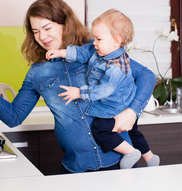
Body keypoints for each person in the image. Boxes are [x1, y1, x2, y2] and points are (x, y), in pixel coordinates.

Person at [0, 0, 156, 173]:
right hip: (75, 168)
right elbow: (14, 117)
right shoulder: (37, 73)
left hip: (119, 163)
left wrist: (132, 112)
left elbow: (146, 76)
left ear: (65, 23)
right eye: (35, 32)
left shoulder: (96, 50)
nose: (42, 36)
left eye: (47, 28)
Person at [46, 9, 160, 169]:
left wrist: (79, 92)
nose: (94, 42)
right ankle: (150, 157)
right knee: (133, 133)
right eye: (94, 38)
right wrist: (61, 52)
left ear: (116, 41)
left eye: (99, 39)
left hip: (116, 107)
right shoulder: (100, 50)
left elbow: (103, 90)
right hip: (125, 102)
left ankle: (131, 153)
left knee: (101, 129)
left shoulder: (116, 68)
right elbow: (82, 52)